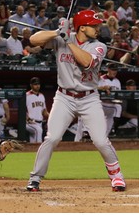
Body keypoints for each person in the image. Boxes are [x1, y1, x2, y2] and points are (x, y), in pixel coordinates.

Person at [26, 10, 126, 192]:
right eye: (94, 25)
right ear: (82, 27)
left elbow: (87, 62)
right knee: (52, 137)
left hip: (89, 98)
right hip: (64, 97)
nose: (98, 28)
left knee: (101, 141)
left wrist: (68, 41)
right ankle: (35, 178)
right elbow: (33, 40)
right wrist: (57, 32)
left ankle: (117, 176)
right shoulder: (62, 37)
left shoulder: (99, 46)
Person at [98, 63, 122, 136]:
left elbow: (119, 95)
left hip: (111, 106)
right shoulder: (101, 79)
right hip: (101, 105)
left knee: (106, 133)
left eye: (116, 70)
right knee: (118, 107)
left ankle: (112, 130)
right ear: (108, 69)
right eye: (113, 70)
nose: (114, 72)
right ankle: (115, 128)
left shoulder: (117, 81)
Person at [26, 77, 49, 143]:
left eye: (38, 84)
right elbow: (22, 110)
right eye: (35, 84)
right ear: (31, 85)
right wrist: (27, 119)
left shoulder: (42, 96)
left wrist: (51, 117)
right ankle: (39, 150)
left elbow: (44, 111)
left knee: (33, 141)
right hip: (30, 122)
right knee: (38, 131)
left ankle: (33, 152)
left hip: (40, 122)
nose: (37, 86)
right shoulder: (26, 96)